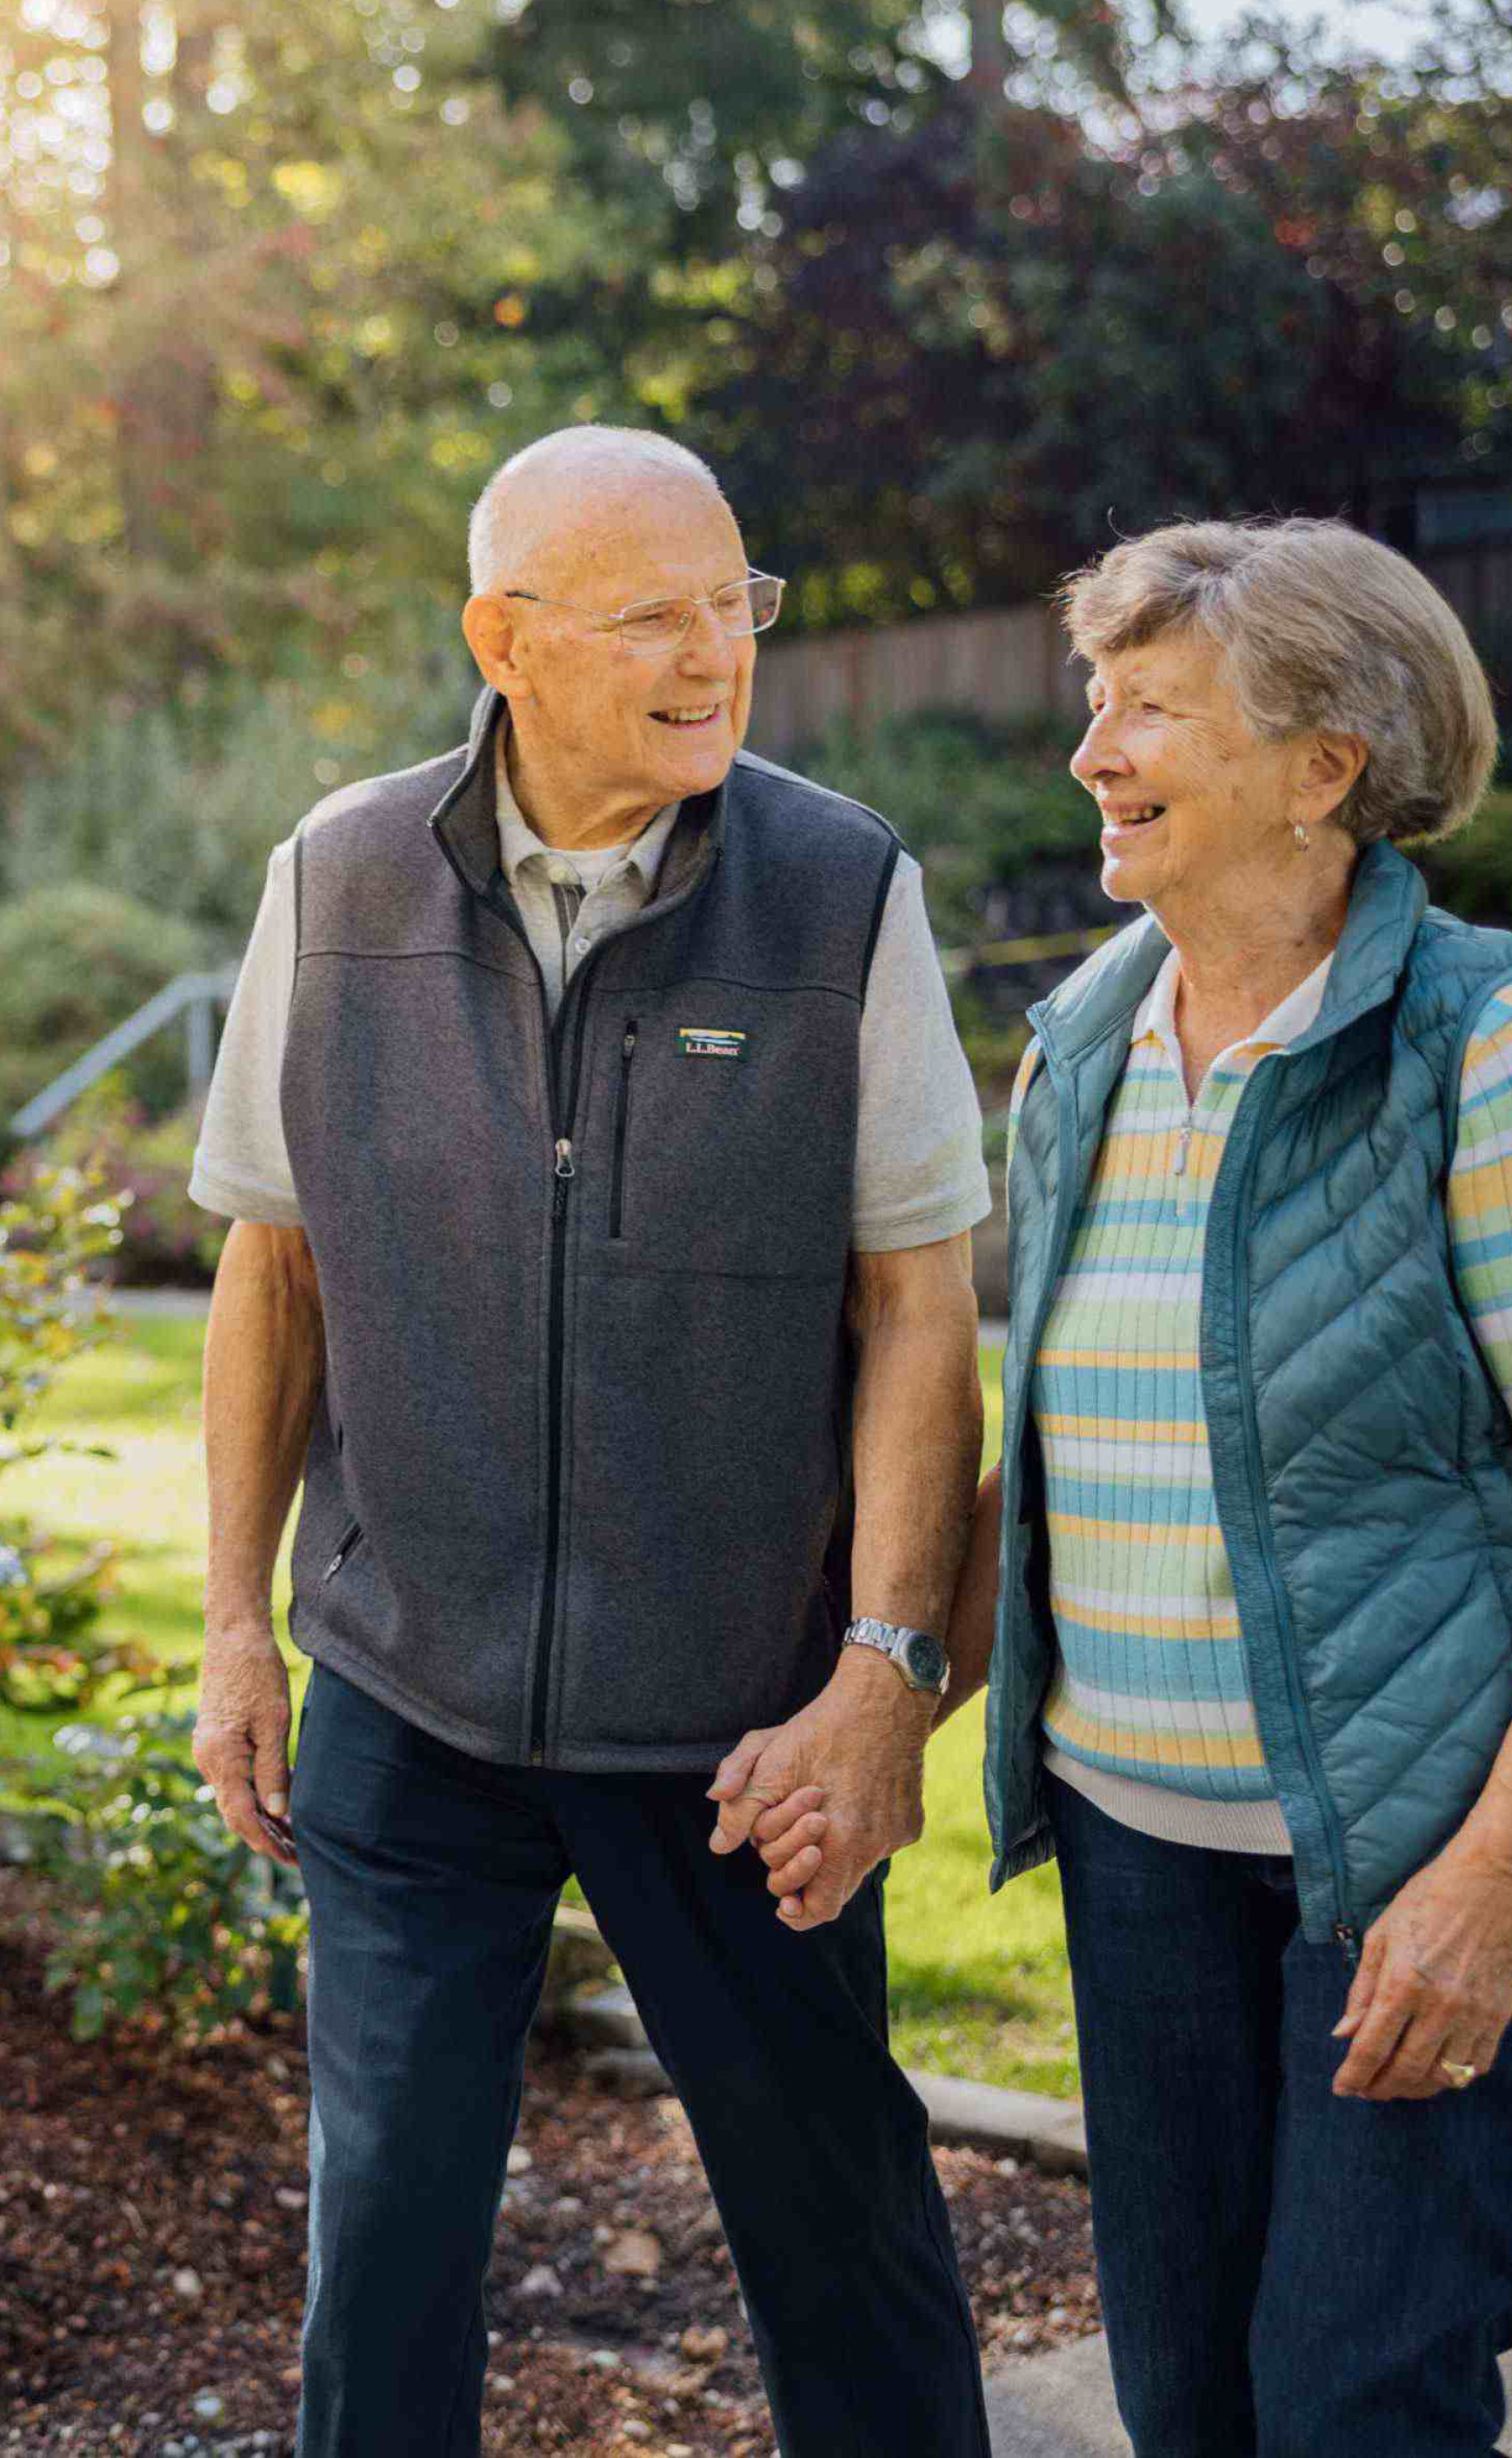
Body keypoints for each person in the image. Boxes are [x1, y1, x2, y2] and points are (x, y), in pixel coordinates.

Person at [186, 423, 996, 2457]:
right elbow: (267, 1273)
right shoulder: (338, 876)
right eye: (654, 614)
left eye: (739, 604)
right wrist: (227, 1626)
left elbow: (917, 1303)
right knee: (378, 2253)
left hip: (735, 1732)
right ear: (503, 637)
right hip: (403, 1685)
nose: (715, 652)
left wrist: (881, 1674)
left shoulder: (839, 891)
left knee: (839, 2233)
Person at [917, 519, 1512, 2457]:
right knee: (1182, 2395)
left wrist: (1489, 1885)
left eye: (1148, 709)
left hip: (1405, 1861)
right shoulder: (1079, 1042)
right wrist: (871, 1690)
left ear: (1321, 766)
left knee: (1354, 2400)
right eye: (1093, 700)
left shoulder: (1475, 1039)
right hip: (1129, 1851)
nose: (1089, 750)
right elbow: (1069, 1451)